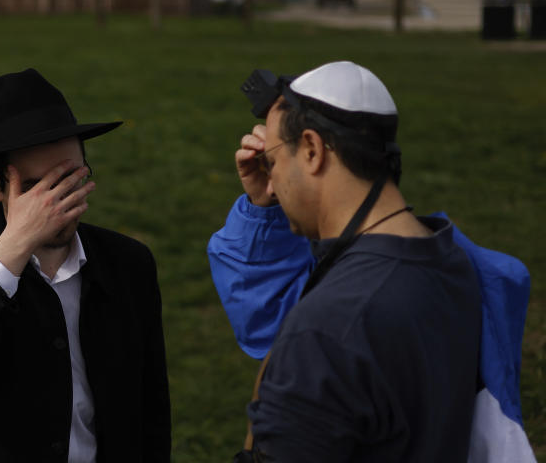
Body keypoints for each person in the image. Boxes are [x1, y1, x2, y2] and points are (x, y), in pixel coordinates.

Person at [208, 61, 486, 462]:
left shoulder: (326, 328)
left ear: (312, 150)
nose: (271, 183)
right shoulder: (451, 260)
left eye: (271, 161)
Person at [0, 68, 171, 463]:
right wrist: (12, 250)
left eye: (70, 180)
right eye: (38, 188)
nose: (55, 204)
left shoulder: (129, 263)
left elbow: (152, 409)